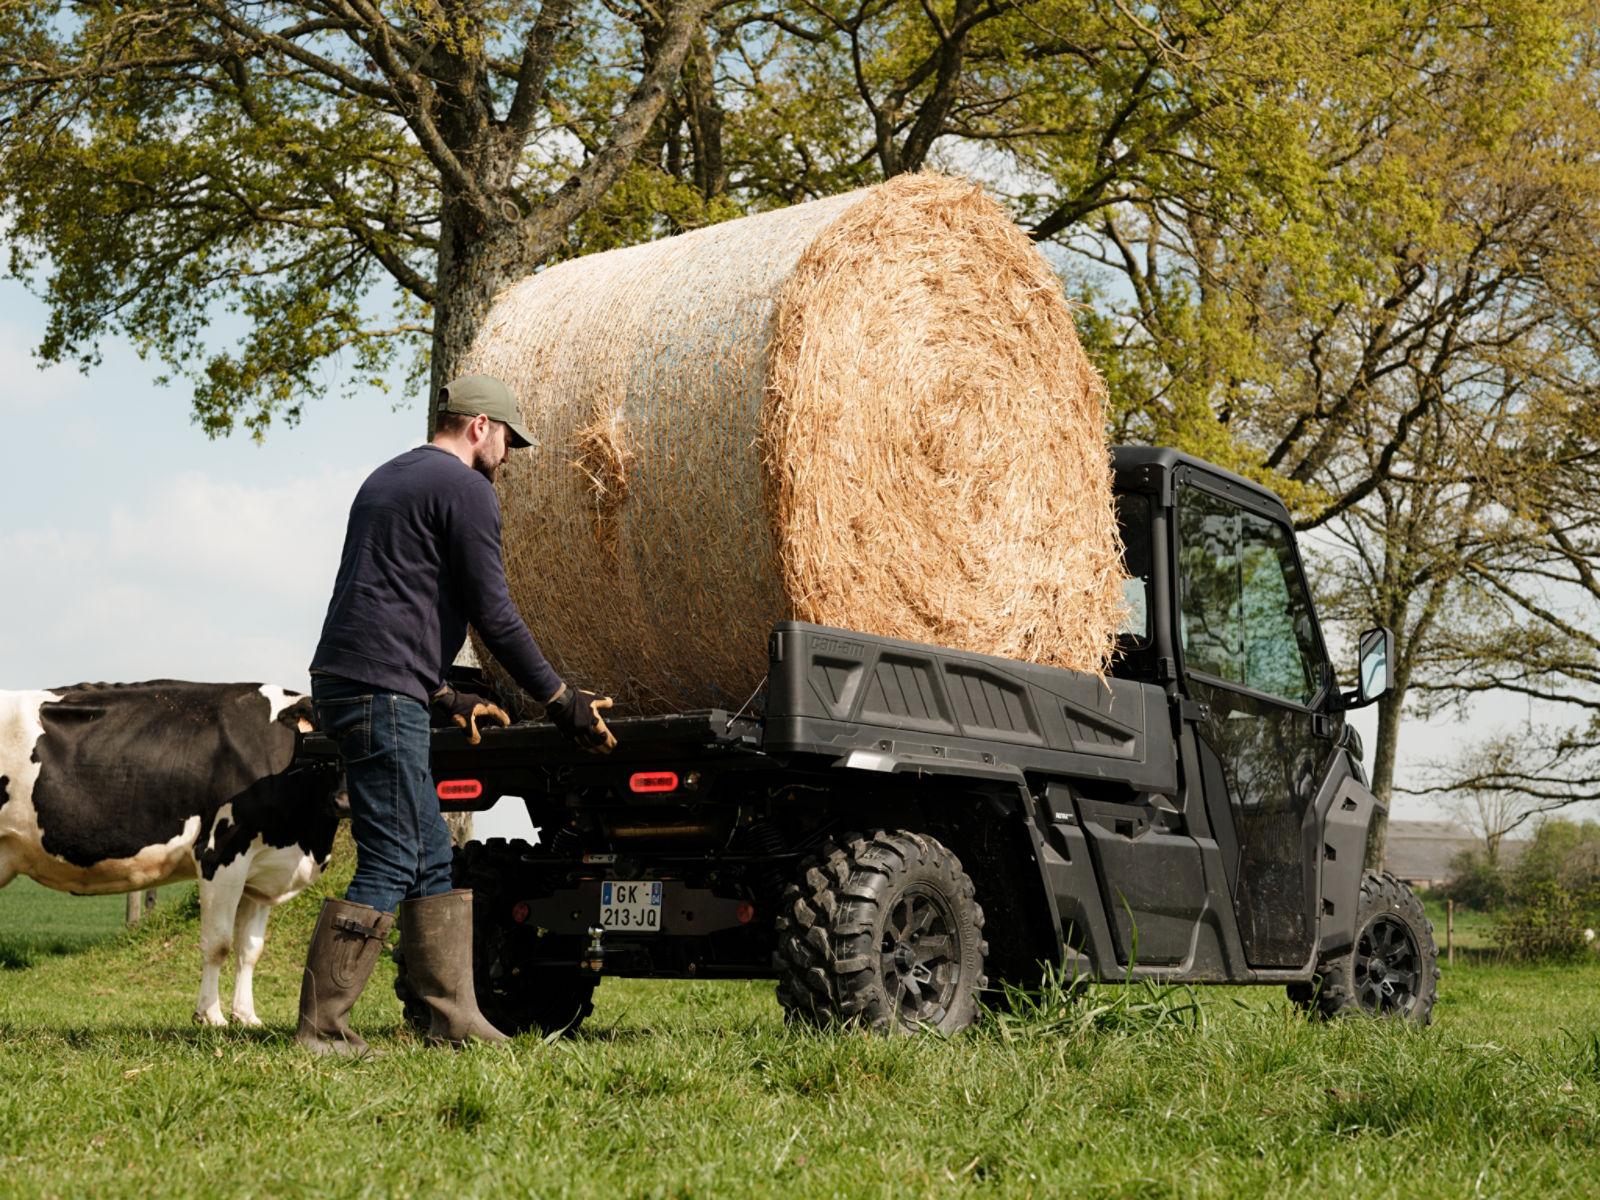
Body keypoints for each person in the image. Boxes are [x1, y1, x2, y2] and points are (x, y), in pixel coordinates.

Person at [295, 373, 616, 1055]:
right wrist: (562, 704)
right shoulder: (465, 488)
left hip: (354, 682)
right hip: (380, 692)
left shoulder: (388, 479)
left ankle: (452, 1019)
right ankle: (322, 1030)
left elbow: (385, 604)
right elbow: (492, 613)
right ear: (479, 426)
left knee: (431, 852)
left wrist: (445, 696)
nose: (507, 457)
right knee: (391, 856)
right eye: (507, 441)